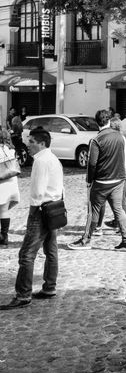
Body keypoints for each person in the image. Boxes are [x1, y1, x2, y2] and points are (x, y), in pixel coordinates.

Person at [0, 126, 63, 309]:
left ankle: (23, 295)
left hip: (41, 210)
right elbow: (60, 187)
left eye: (32, 141)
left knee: (26, 254)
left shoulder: (41, 161)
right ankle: (49, 287)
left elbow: (37, 191)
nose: (28, 144)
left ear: (42, 143)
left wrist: (32, 214)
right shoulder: (53, 158)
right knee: (51, 251)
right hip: (54, 207)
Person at [68, 109, 126, 251]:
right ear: (109, 121)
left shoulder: (96, 140)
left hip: (102, 180)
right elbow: (123, 157)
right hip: (118, 179)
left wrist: (89, 180)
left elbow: (92, 163)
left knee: (93, 210)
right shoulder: (121, 137)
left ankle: (86, 239)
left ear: (97, 122)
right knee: (119, 210)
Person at [0, 129, 20, 246]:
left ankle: (2, 237)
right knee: (4, 211)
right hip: (11, 183)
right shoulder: (11, 150)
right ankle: (4, 236)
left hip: (2, 183)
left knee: (2, 211)